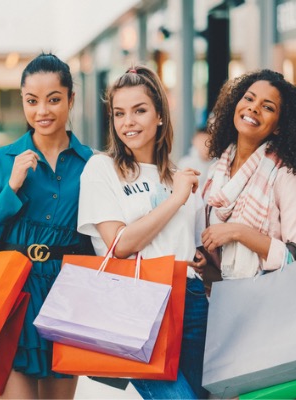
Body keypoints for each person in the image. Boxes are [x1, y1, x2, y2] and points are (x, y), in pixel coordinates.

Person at [77, 65, 209, 399]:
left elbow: (187, 245)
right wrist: (177, 200)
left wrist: (201, 257)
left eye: (139, 110)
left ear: (160, 115)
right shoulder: (101, 169)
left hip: (191, 301)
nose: (128, 122)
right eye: (119, 113)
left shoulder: (179, 175)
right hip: (136, 302)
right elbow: (119, 245)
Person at [0, 53, 93, 399]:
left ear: (71, 99)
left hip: (67, 298)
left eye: (54, 99)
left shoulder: (93, 165)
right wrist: (10, 189)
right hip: (14, 298)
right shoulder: (2, 159)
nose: (42, 111)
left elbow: (101, 240)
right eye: (32, 101)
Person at [201, 69, 296, 279]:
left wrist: (239, 232)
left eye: (267, 107)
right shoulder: (216, 171)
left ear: (279, 127)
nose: (253, 108)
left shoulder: (286, 176)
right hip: (221, 300)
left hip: (268, 303)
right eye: (249, 99)